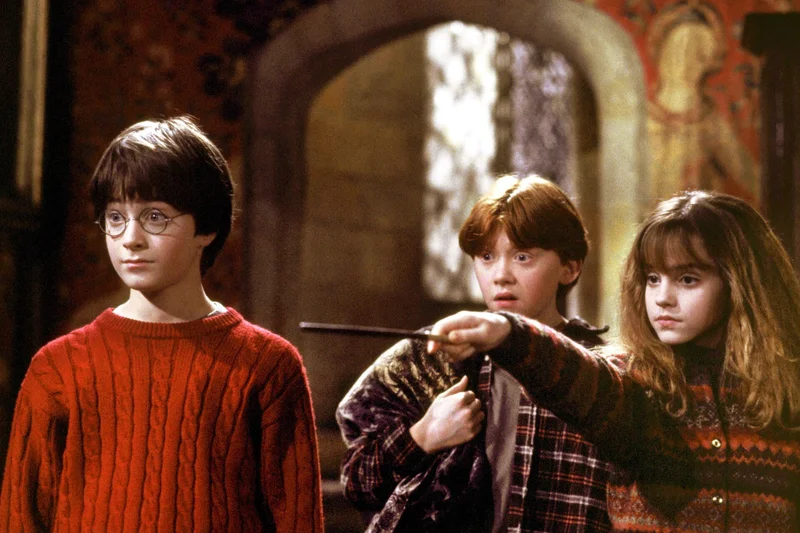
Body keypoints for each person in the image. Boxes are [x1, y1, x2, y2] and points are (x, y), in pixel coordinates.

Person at [0, 116, 323, 532]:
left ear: (206, 228)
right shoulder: (58, 369)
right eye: (115, 217)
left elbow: (298, 521)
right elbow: (21, 520)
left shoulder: (268, 366)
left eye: (155, 217)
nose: (130, 238)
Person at [428, 190, 800, 532]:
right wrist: (507, 333)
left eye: (687, 279)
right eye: (652, 279)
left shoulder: (787, 391)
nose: (662, 298)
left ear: (738, 283)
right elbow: (580, 379)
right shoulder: (636, 381)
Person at [336, 175, 612, 532]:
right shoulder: (433, 355)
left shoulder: (599, 374)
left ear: (569, 267)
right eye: (486, 257)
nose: (501, 275)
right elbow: (356, 483)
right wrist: (421, 437)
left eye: (523, 257)